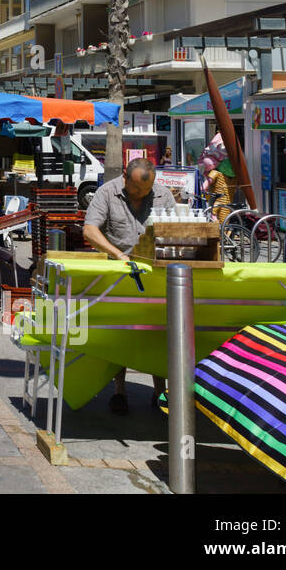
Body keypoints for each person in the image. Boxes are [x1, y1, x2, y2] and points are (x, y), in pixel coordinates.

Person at [82, 157, 176, 414]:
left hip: (155, 275)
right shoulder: (107, 192)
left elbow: (176, 229)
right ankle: (119, 390)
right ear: (125, 177)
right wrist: (118, 254)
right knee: (120, 333)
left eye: (146, 191)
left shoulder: (163, 195)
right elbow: (89, 230)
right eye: (136, 190)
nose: (142, 195)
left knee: (157, 332)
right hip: (120, 273)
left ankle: (160, 391)